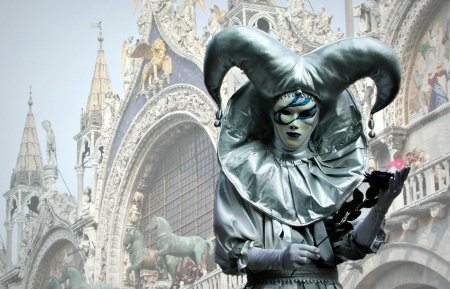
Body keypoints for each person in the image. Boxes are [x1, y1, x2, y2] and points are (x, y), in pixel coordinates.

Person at [204, 26, 409, 288]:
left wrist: (380, 207)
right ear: (270, 113)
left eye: (305, 114)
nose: (295, 123)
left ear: (318, 117)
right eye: (285, 113)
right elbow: (230, 255)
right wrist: (278, 258)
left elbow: (348, 246)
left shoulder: (335, 175)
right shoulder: (241, 172)